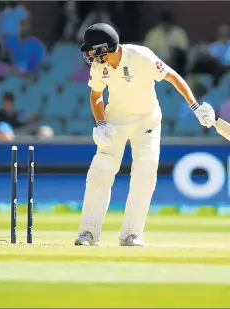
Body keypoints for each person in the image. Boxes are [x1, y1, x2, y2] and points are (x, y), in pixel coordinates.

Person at [75, 23, 216, 247]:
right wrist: (100, 123)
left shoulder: (141, 56)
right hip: (115, 122)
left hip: (147, 121)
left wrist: (196, 107)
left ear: (107, 47)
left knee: (144, 177)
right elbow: (96, 95)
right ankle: (88, 233)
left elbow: (173, 77)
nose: (90, 56)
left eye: (93, 50)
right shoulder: (99, 66)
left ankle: (132, 234)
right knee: (100, 172)